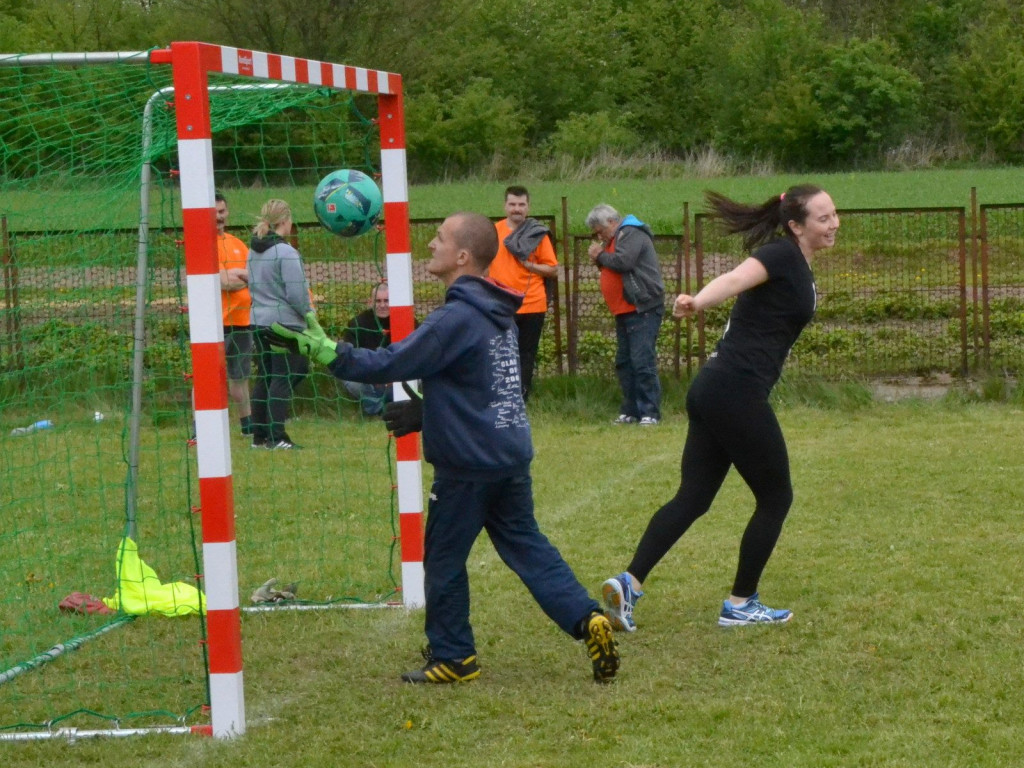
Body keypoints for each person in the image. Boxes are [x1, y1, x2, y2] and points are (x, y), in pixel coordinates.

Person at [271, 212, 619, 684]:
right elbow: (481, 385)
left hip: (468, 465)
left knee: (442, 559)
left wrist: (328, 351)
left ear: (461, 256)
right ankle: (587, 618)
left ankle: (454, 657)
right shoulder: (497, 311)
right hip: (509, 451)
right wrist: (426, 413)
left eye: (438, 239)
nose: (429, 245)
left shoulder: (454, 318)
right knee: (526, 544)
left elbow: (391, 362)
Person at [602, 185, 839, 632]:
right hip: (736, 392)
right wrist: (697, 301)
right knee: (776, 496)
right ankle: (741, 603)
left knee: (693, 497)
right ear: (796, 225)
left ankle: (628, 584)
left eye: (834, 214)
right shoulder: (782, 255)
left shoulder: (797, 262)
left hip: (715, 388)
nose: (834, 224)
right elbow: (734, 279)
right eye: (823, 218)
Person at [586, 204, 665, 426]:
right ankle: (631, 411)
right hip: (624, 310)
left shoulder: (631, 232)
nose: (598, 235)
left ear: (612, 221)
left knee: (642, 361)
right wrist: (602, 258)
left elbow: (623, 262)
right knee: (625, 362)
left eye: (600, 230)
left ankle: (650, 412)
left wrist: (600, 255)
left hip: (642, 308)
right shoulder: (615, 238)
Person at [247, 199, 312, 450]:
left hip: (257, 321)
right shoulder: (285, 252)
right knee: (287, 374)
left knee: (267, 375)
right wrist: (308, 316)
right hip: (283, 323)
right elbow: (296, 294)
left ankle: (259, 436)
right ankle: (277, 436)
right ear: (286, 220)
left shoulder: (253, 250)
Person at [486, 185, 558, 402]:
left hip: (532, 304)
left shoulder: (536, 234)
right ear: (504, 206)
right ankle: (500, 396)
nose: (516, 209)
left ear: (528, 207)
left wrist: (529, 265)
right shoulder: (493, 232)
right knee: (499, 353)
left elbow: (552, 268)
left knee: (526, 354)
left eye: (521, 205)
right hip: (501, 304)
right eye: (512, 204)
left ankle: (521, 397)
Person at [216, 192, 254, 437]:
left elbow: (255, 274)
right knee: (207, 377)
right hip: (216, 325)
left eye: (222, 211)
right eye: (214, 212)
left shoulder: (237, 243)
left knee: (240, 378)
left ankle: (248, 426)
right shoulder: (203, 244)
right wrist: (241, 277)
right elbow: (224, 282)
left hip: (242, 322)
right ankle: (201, 428)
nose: (219, 217)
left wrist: (239, 277)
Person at [340, 282, 392, 416]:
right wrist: (371, 376)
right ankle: (379, 410)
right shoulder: (356, 323)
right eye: (378, 301)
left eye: (386, 301)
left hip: (395, 376)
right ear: (370, 302)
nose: (382, 305)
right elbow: (350, 356)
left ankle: (386, 406)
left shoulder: (406, 320)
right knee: (347, 376)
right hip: (366, 379)